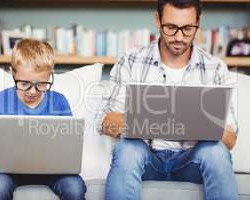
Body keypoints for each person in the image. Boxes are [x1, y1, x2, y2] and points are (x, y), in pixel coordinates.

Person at [96, 0, 238, 199]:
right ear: (157, 19)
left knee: (216, 152)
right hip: (146, 157)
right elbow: (105, 122)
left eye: (188, 28)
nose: (179, 37)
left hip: (192, 160)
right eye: (171, 27)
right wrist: (151, 120)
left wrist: (198, 122)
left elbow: (230, 139)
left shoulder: (215, 68)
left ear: (199, 22)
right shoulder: (131, 60)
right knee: (127, 149)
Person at [0, 38, 86, 200]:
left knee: (74, 187)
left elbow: (70, 148)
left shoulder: (59, 101)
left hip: (52, 172)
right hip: (7, 172)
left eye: (41, 84)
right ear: (13, 73)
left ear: (50, 76)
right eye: (24, 83)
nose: (32, 91)